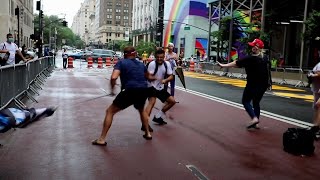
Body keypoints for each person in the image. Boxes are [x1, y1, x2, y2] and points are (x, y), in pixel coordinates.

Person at [92, 46, 156, 146]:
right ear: (134, 54)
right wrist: (157, 78)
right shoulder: (141, 64)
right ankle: (148, 133)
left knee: (110, 111)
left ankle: (101, 139)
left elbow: (114, 77)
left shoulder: (121, 62)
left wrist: (112, 90)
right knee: (141, 110)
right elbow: (149, 77)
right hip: (143, 90)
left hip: (130, 90)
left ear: (124, 54)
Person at [218, 39, 271, 129]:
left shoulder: (250, 58)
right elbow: (239, 64)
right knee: (256, 102)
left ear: (257, 48)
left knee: (245, 101)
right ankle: (256, 122)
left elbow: (236, 63)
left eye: (254, 46)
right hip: (263, 85)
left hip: (252, 84)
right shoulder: (265, 58)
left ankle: (254, 118)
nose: (252, 47)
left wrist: (223, 65)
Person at [143, 48, 176, 129]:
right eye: (157, 57)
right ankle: (145, 124)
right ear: (155, 57)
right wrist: (155, 78)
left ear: (164, 56)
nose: (159, 59)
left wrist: (166, 80)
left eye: (161, 57)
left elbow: (171, 76)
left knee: (172, 101)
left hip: (159, 87)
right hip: (150, 86)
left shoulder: (167, 64)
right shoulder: (152, 64)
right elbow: (148, 76)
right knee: (152, 102)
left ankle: (158, 117)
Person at [308, 63, 320, 140]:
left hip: (318, 89)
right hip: (316, 89)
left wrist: (312, 75)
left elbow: (319, 74)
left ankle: (317, 127)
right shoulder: (318, 63)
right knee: (316, 107)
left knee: (318, 106)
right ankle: (316, 126)